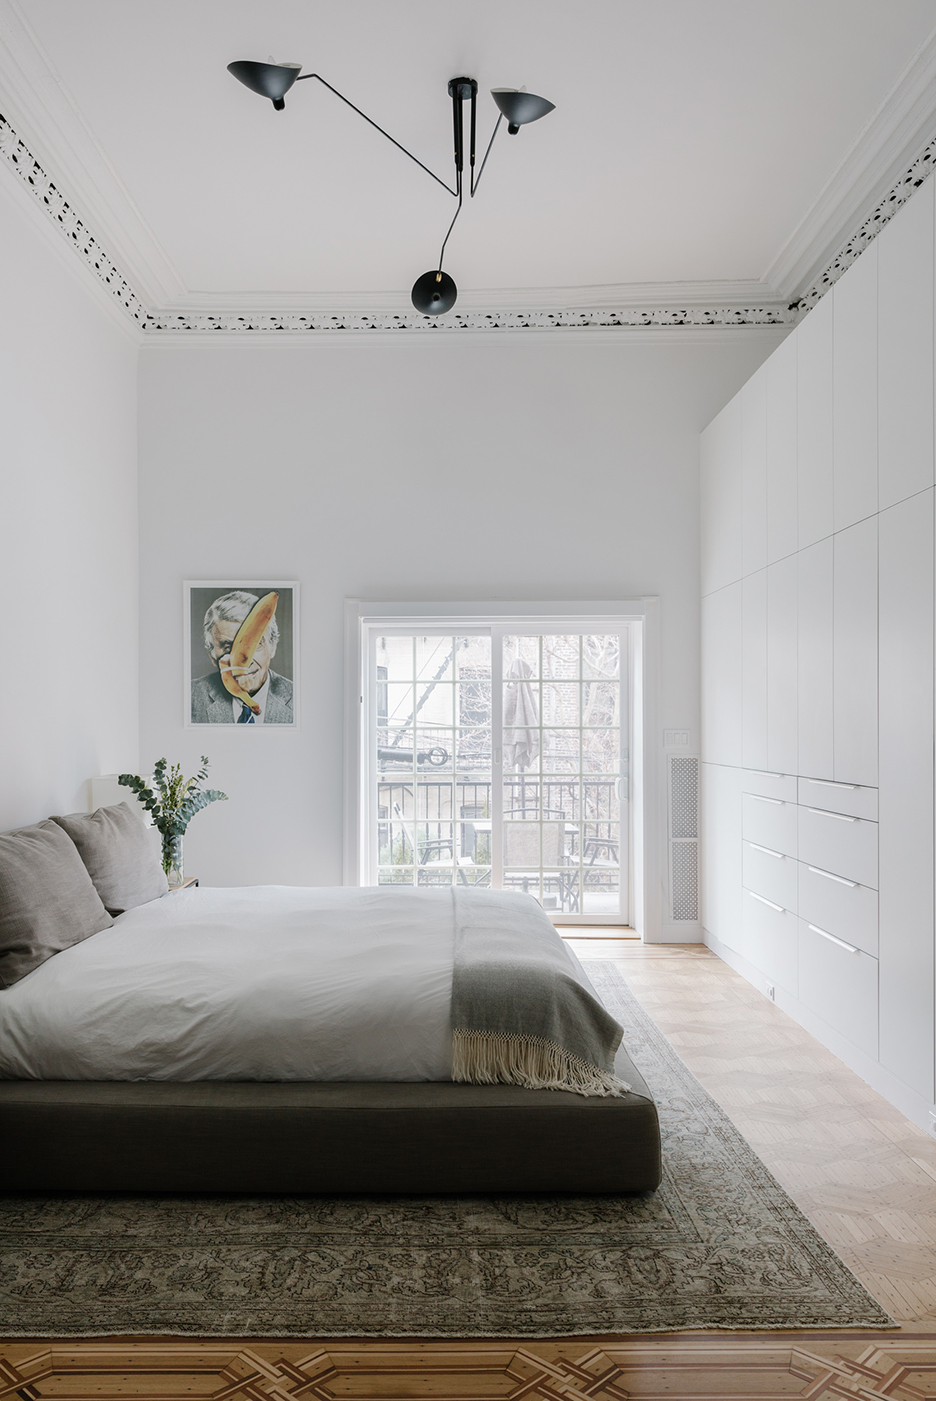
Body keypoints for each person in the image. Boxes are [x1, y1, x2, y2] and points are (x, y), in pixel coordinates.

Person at [191, 590, 293, 724]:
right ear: (211, 653)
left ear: (273, 646)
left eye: (255, 645)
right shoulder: (188, 697)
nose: (245, 663)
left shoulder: (301, 699)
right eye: (228, 647)